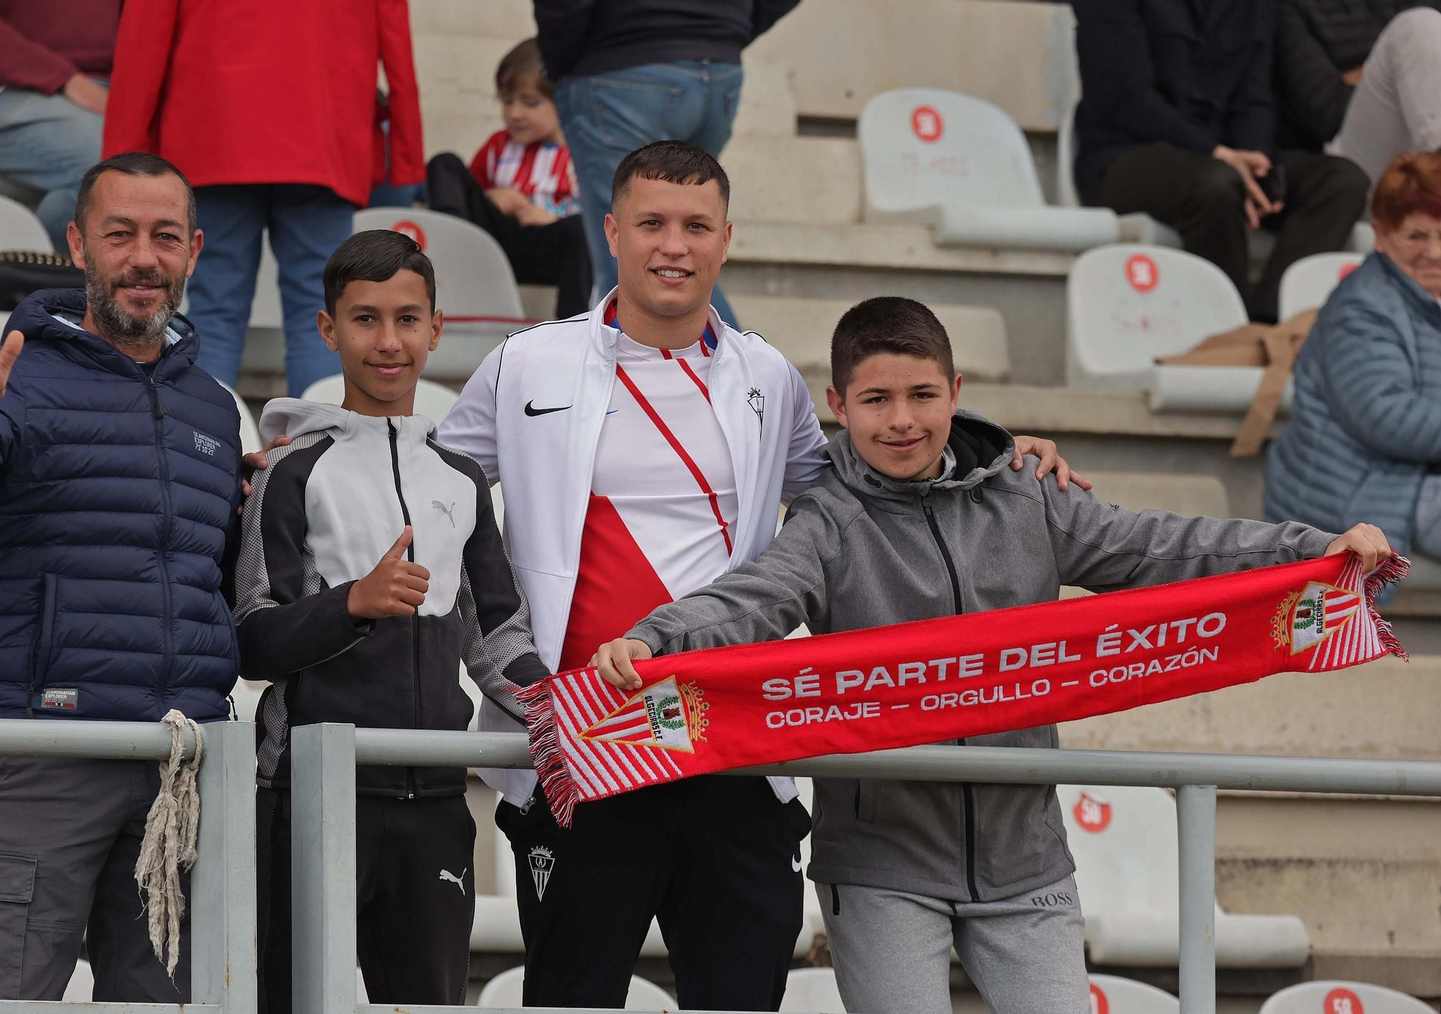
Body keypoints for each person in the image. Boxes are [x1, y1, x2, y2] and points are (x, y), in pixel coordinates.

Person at [591, 295, 1392, 1014]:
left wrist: (1312, 550)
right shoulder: (826, 519)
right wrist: (657, 637)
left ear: (956, 392)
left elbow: (1163, 547)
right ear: (837, 405)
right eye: (876, 400)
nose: (901, 419)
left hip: (1029, 863)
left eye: (922, 396)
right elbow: (754, 597)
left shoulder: (1028, 489)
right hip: (881, 866)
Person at [438, 140, 1084, 1010]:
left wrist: (996, 454)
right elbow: (436, 487)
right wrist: (308, 451)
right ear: (612, 231)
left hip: (731, 745)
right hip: (585, 743)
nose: (675, 245)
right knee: (571, 998)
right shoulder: (527, 362)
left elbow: (870, 484)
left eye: (697, 225)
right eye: (653, 223)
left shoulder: (767, 375)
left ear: (727, 238)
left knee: (742, 997)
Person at [0, 152, 241, 1002]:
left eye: (164, 236)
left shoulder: (212, 407)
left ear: (194, 252)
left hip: (174, 768)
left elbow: (211, 587)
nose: (143, 257)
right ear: (78, 244)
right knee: (7, 1000)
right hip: (41, 749)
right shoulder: (12, 376)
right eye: (120, 234)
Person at [235, 229, 550, 1011]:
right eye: (366, 319)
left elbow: (498, 641)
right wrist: (352, 604)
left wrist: (568, 718)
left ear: (437, 329)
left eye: (408, 319)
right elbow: (251, 639)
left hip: (437, 806)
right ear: (327, 329)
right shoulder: (290, 472)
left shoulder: (462, 479)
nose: (388, 341)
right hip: (309, 797)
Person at [103, 0, 424, 397]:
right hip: (322, 130)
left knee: (216, 308)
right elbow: (395, 35)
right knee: (322, 310)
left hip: (213, 131)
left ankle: (197, 448)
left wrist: (123, 158)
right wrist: (406, 152)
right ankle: (327, 452)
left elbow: (142, 42)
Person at [1072, 0, 1371, 322]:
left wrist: (1256, 161)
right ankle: (1227, 329)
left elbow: (1254, 97)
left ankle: (1268, 326)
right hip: (1126, 155)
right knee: (1215, 185)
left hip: (1224, 159)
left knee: (1341, 181)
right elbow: (1128, 101)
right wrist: (1217, 153)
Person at [532, 0, 802, 327]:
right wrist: (723, 31)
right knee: (676, 250)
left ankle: (746, 374)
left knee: (630, 263)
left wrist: (560, 60)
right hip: (715, 73)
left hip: (621, 69)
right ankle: (735, 372)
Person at [1267, 153, 1441, 565]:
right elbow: (1389, 420)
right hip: (1364, 498)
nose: (1434, 252)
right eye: (1416, 236)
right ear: (1380, 234)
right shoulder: (1362, 306)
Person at [0, 0, 117, 253]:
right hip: (2, 91)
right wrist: (62, 78)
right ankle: (23, 277)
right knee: (118, 169)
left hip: (111, 91)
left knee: (159, 172)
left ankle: (25, 272)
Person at [426, 39, 592, 319]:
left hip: (549, 247)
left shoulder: (586, 153)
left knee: (582, 230)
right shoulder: (499, 145)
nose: (515, 113)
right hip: (492, 244)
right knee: (445, 163)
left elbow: (610, 216)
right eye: (507, 101)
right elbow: (469, 192)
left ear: (563, 99)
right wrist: (492, 196)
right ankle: (449, 245)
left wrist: (552, 220)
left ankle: (572, 326)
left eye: (529, 102)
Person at [1275, 1, 1441, 186]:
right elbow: (1329, 114)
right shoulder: (1288, 7)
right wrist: (1390, 68)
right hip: (1350, 163)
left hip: (1420, 149)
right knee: (1418, 27)